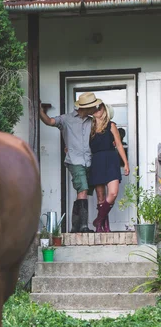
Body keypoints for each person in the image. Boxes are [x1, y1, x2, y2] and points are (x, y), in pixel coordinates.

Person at [40, 92, 101, 233]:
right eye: (92, 107)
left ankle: (75, 227)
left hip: (89, 161)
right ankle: (84, 226)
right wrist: (39, 110)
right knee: (83, 189)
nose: (94, 109)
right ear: (85, 107)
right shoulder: (66, 119)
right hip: (75, 160)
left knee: (82, 191)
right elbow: (49, 121)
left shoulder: (91, 121)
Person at [89, 102, 130, 232]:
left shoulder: (111, 125)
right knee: (100, 198)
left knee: (113, 192)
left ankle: (98, 220)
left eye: (99, 107)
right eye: (94, 108)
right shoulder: (90, 127)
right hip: (97, 161)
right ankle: (103, 227)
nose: (96, 109)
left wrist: (126, 163)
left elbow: (118, 144)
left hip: (111, 160)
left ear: (105, 110)